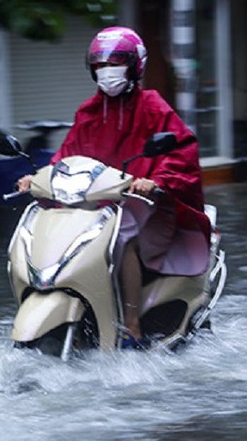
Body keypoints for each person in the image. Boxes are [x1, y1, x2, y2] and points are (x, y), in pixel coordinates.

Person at [17, 26, 211, 348]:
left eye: (115, 64)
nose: (107, 72)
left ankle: (131, 329)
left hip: (145, 207)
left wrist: (155, 181)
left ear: (135, 66)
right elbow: (65, 156)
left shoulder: (152, 106)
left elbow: (180, 150)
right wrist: (39, 178)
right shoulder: (88, 113)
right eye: (101, 66)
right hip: (94, 207)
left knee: (123, 240)